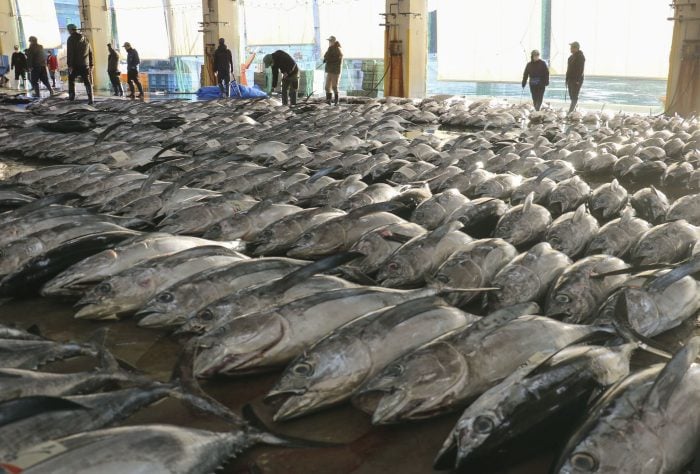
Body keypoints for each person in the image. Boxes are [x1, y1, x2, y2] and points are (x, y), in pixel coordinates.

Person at [66, 23, 94, 105]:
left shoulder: (70, 39)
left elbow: (70, 53)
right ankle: (90, 98)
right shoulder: (86, 39)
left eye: (68, 30)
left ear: (70, 30)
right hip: (85, 64)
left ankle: (71, 97)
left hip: (74, 65)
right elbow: (90, 52)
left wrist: (69, 65)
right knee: (87, 81)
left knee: (71, 80)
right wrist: (91, 64)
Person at [566, 41, 585, 114]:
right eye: (570, 47)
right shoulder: (570, 57)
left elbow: (581, 69)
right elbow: (568, 69)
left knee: (574, 95)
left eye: (572, 47)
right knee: (571, 95)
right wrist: (567, 79)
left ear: (576, 48)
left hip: (576, 80)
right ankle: (574, 108)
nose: (570, 49)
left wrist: (578, 80)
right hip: (570, 79)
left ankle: (570, 111)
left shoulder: (580, 57)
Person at [323, 35, 343, 105]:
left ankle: (336, 100)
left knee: (334, 86)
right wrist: (325, 59)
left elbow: (338, 59)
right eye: (329, 41)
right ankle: (328, 100)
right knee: (327, 87)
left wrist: (328, 59)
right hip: (329, 70)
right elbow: (326, 55)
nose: (329, 42)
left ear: (334, 41)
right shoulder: (330, 48)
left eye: (330, 41)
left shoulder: (338, 50)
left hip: (335, 71)